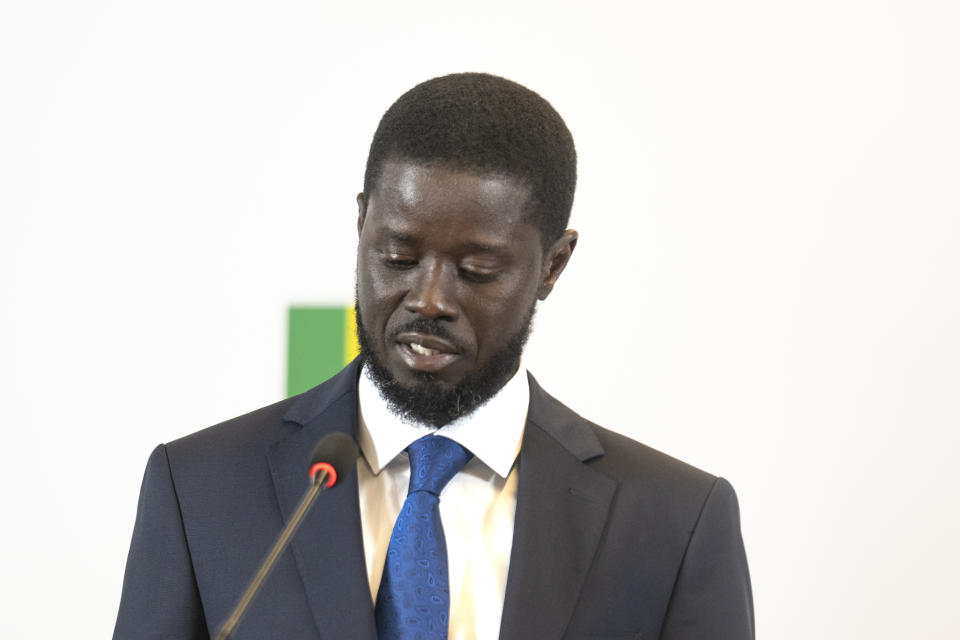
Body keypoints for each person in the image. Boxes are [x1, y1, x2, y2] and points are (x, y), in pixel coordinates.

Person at [114, 72, 754, 640]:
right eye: (398, 257)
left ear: (553, 264)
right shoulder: (199, 489)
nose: (428, 300)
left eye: (477, 271)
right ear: (362, 223)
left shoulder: (676, 523)